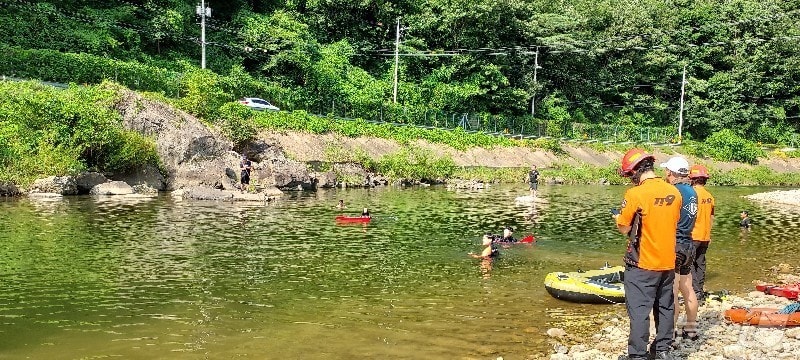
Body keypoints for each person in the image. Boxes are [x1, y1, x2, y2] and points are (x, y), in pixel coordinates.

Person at [613, 149, 681, 360]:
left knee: (639, 311)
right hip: (667, 262)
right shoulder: (674, 192)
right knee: (665, 307)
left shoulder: (635, 194)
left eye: (629, 175)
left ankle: (638, 355)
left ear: (635, 172)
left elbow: (624, 228)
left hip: (642, 263)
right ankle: (662, 351)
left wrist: (617, 217)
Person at [661, 157, 699, 342]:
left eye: (666, 171)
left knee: (672, 291)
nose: (665, 174)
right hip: (689, 244)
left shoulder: (673, 191)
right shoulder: (692, 191)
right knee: (688, 288)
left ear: (671, 172)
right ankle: (691, 329)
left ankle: (672, 333)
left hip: (675, 245)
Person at [689, 164, 715, 305]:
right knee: (701, 263)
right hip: (705, 236)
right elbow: (711, 218)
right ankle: (700, 291)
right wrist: (709, 234)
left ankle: (697, 293)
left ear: (692, 179)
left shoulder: (690, 195)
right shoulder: (709, 196)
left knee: (690, 265)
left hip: (693, 235)